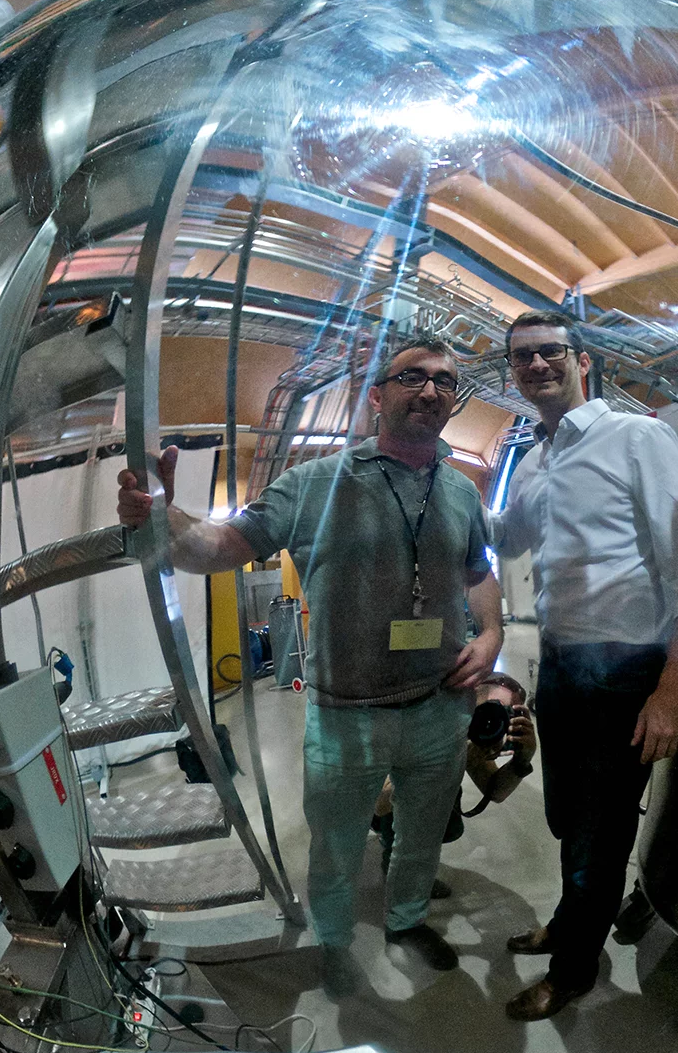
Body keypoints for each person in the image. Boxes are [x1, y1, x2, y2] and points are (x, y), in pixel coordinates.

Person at [115, 336, 502, 969]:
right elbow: (219, 547)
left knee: (422, 836)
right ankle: (333, 942)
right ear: (376, 396)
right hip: (347, 716)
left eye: (444, 381)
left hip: (442, 707)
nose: (430, 390)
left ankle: (405, 921)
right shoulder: (315, 485)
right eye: (411, 378)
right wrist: (162, 518)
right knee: (337, 845)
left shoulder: (461, 493)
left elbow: (477, 570)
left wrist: (491, 634)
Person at [491, 312, 678, 1020]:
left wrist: (674, 689)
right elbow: (504, 535)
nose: (536, 366)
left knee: (602, 830)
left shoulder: (638, 437)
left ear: (582, 358)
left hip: (627, 676)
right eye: (523, 357)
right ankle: (569, 921)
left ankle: (574, 967)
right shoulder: (534, 460)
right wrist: (434, 487)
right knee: (566, 817)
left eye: (550, 352)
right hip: (560, 667)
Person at [371, 671, 536, 885]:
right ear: (467, 698)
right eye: (487, 708)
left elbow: (495, 791)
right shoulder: (425, 716)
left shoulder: (474, 728)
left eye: (503, 714)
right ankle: (396, 859)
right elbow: (379, 804)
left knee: (445, 807)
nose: (490, 719)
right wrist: (451, 757)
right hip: (370, 800)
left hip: (403, 796)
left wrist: (522, 761)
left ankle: (413, 863)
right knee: (419, 798)